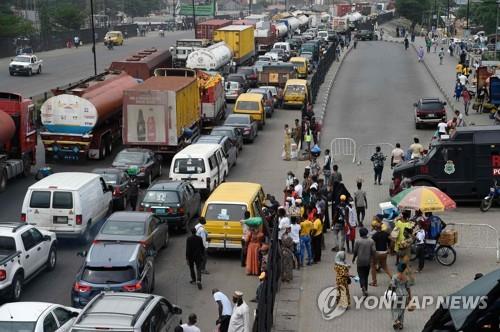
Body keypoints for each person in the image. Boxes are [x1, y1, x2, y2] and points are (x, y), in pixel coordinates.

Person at [352, 228, 375, 296]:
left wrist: (353, 258)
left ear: (360, 234)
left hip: (360, 261)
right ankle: (366, 289)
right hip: (367, 261)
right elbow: (374, 251)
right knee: (366, 275)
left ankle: (363, 286)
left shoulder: (357, 241)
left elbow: (355, 251)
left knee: (360, 275)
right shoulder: (371, 241)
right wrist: (374, 259)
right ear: (367, 233)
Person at [390, 263, 412, 330]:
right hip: (405, 295)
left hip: (397, 294)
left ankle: (397, 321)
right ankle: (401, 324)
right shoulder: (406, 277)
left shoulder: (395, 276)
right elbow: (408, 288)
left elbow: (392, 286)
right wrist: (410, 297)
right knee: (402, 310)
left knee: (394, 309)